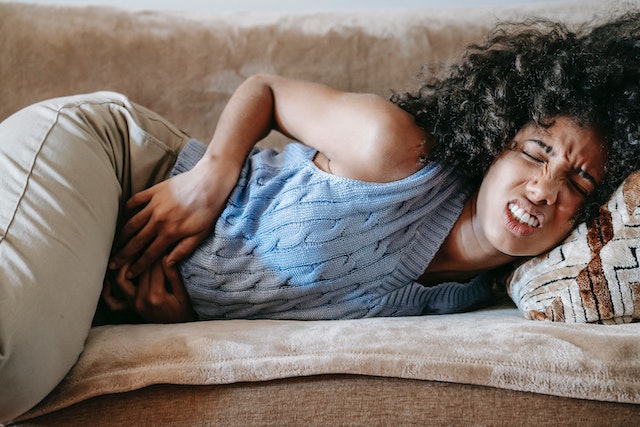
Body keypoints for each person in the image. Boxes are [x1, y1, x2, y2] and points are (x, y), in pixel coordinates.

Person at [95, 12, 640, 323]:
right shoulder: (399, 151)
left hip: (117, 283)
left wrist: (183, 322)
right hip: (120, 170)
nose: (545, 189)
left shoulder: (476, 296)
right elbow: (264, 90)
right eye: (535, 152)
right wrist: (209, 179)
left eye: (579, 180)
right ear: (496, 141)